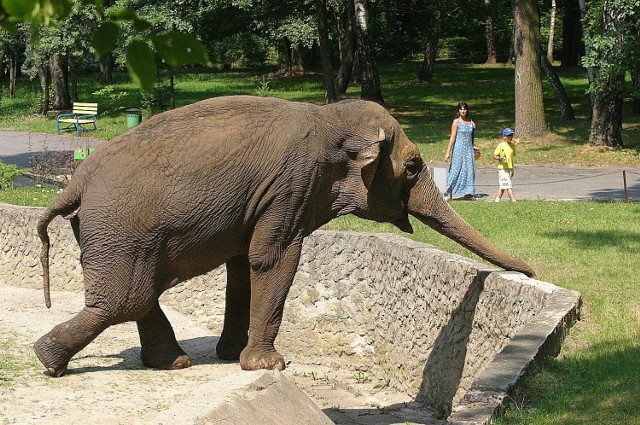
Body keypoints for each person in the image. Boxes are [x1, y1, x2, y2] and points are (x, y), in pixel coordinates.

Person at [444, 101, 476, 200]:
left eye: (464, 109)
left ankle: (468, 193)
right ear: (458, 110)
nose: (463, 111)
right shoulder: (456, 122)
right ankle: (446, 191)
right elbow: (452, 137)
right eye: (461, 109)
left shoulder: (471, 123)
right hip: (458, 149)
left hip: (468, 150)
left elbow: (472, 138)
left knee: (469, 170)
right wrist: (448, 152)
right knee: (455, 169)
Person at [493, 128, 517, 202]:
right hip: (502, 169)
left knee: (503, 186)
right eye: (508, 135)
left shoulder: (512, 146)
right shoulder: (501, 145)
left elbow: (512, 156)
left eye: (511, 135)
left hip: (510, 168)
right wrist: (499, 158)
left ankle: (497, 201)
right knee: (508, 186)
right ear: (504, 137)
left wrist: (512, 168)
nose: (510, 137)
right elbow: (494, 155)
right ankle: (514, 201)